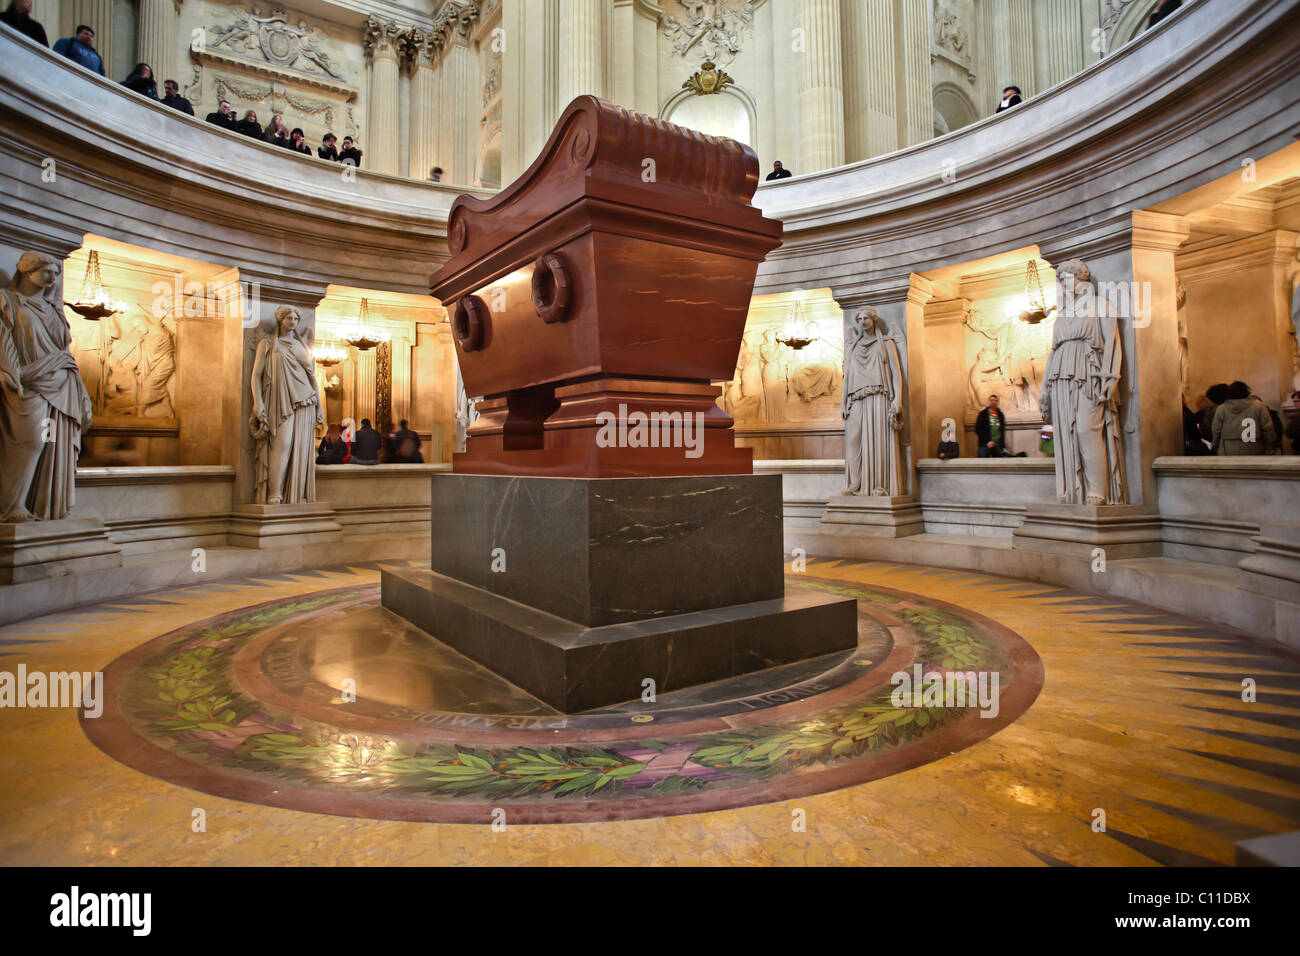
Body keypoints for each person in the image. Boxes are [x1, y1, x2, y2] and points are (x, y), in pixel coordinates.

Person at [0, 251, 95, 521]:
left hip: (62, 381)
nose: (54, 277)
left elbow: (62, 347)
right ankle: (11, 505)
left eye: (57, 273)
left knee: (52, 443)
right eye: (48, 271)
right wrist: (8, 370)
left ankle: (46, 506)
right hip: (29, 380)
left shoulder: (54, 307)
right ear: (28, 270)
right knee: (30, 441)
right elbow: (3, 336)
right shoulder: (8, 301)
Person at [249, 306, 323, 504]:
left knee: (300, 449)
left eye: (296, 318)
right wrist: (258, 402)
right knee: (282, 445)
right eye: (288, 318)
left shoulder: (300, 347)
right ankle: (275, 493)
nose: (292, 322)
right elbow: (256, 375)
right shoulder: (268, 343)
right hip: (280, 400)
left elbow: (312, 378)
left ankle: (295, 495)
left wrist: (320, 406)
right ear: (280, 320)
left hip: (305, 402)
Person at [840, 308, 904, 496]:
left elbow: (896, 374)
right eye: (859, 318)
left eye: (866, 317)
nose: (862, 321)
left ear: (873, 319)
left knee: (878, 440)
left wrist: (898, 400)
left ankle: (879, 485)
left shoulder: (885, 343)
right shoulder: (852, 347)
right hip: (856, 397)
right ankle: (855, 483)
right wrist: (843, 402)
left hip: (879, 395)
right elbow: (846, 376)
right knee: (853, 439)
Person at [1212, 381, 1277, 455]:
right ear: (1246, 391)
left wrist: (1215, 446)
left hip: (1228, 447)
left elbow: (1216, 431)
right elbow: (1268, 428)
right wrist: (1270, 446)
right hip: (1254, 446)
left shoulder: (1222, 409)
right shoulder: (1258, 406)